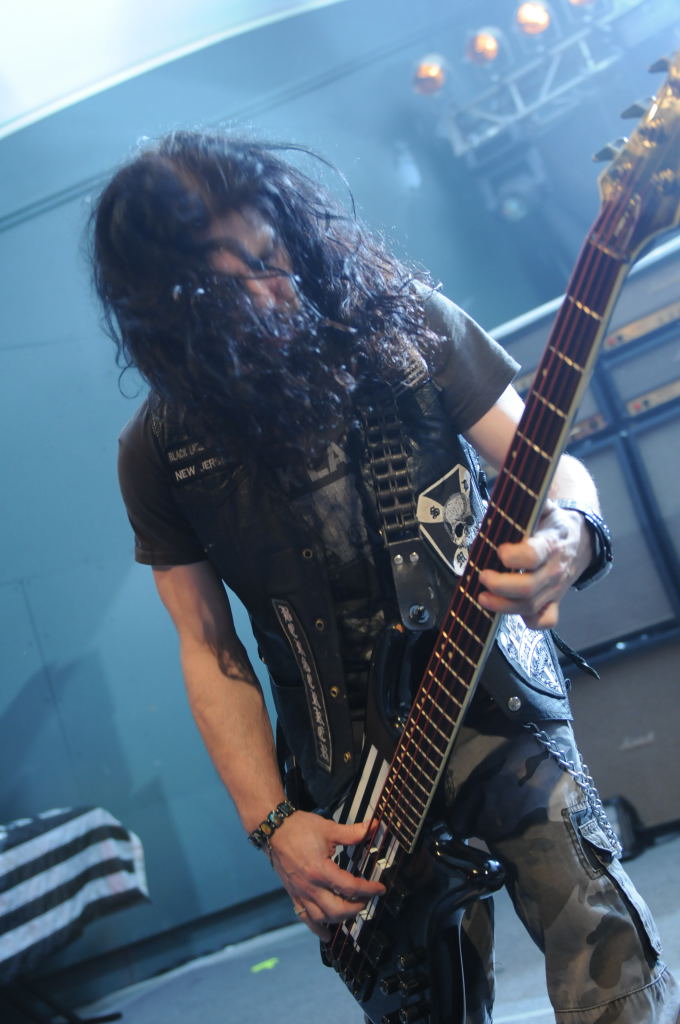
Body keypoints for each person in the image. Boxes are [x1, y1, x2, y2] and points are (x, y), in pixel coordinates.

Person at [91, 130, 679, 1023]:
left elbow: (552, 463)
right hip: (348, 769)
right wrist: (272, 823)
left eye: (271, 253)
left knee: (599, 940)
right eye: (227, 286)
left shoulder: (407, 325)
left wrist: (570, 538)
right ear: (166, 310)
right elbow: (210, 650)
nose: (272, 289)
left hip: (485, 693)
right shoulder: (159, 452)